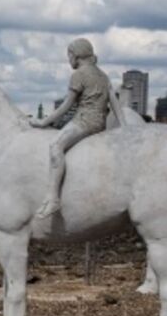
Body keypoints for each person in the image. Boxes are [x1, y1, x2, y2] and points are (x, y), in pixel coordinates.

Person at [30, 37, 111, 219]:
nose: (68, 60)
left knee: (55, 146)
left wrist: (44, 122)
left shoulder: (79, 75)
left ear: (76, 56)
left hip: (84, 121)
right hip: (100, 122)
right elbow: (113, 103)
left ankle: (52, 198)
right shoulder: (102, 75)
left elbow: (66, 106)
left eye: (69, 55)